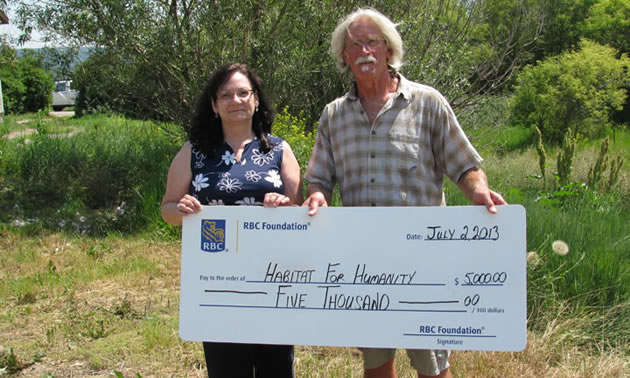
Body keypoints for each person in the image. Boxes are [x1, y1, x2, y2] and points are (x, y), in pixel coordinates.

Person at [302, 8, 507, 378]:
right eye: (355, 44)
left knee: (432, 365)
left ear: (388, 50)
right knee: (376, 362)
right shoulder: (333, 115)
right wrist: (317, 195)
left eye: (372, 42)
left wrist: (479, 191)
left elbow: (464, 165)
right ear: (344, 56)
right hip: (363, 262)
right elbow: (319, 177)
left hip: (424, 262)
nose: (364, 50)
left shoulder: (427, 102)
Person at [161, 63, 302, 378]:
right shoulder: (193, 152)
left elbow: (300, 212)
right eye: (226, 95)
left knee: (276, 369)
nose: (236, 101)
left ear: (255, 100)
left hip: (273, 280)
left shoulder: (280, 150)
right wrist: (181, 209)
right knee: (227, 368)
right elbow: (167, 210)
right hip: (217, 284)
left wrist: (284, 205)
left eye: (243, 93)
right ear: (213, 104)